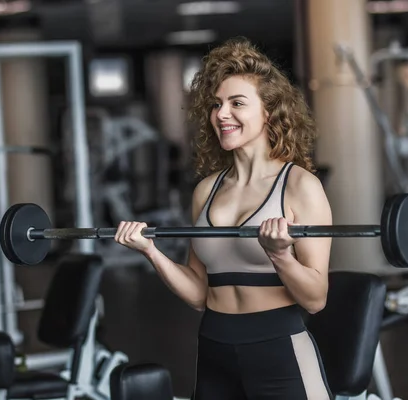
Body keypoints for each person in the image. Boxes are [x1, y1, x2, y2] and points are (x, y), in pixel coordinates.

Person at [114, 37, 333, 400]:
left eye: (237, 103)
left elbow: (315, 299)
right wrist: (151, 252)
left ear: (269, 111)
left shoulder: (298, 186)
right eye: (216, 104)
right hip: (214, 347)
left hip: (278, 350)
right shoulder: (206, 191)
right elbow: (200, 293)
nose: (222, 114)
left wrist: (280, 255)